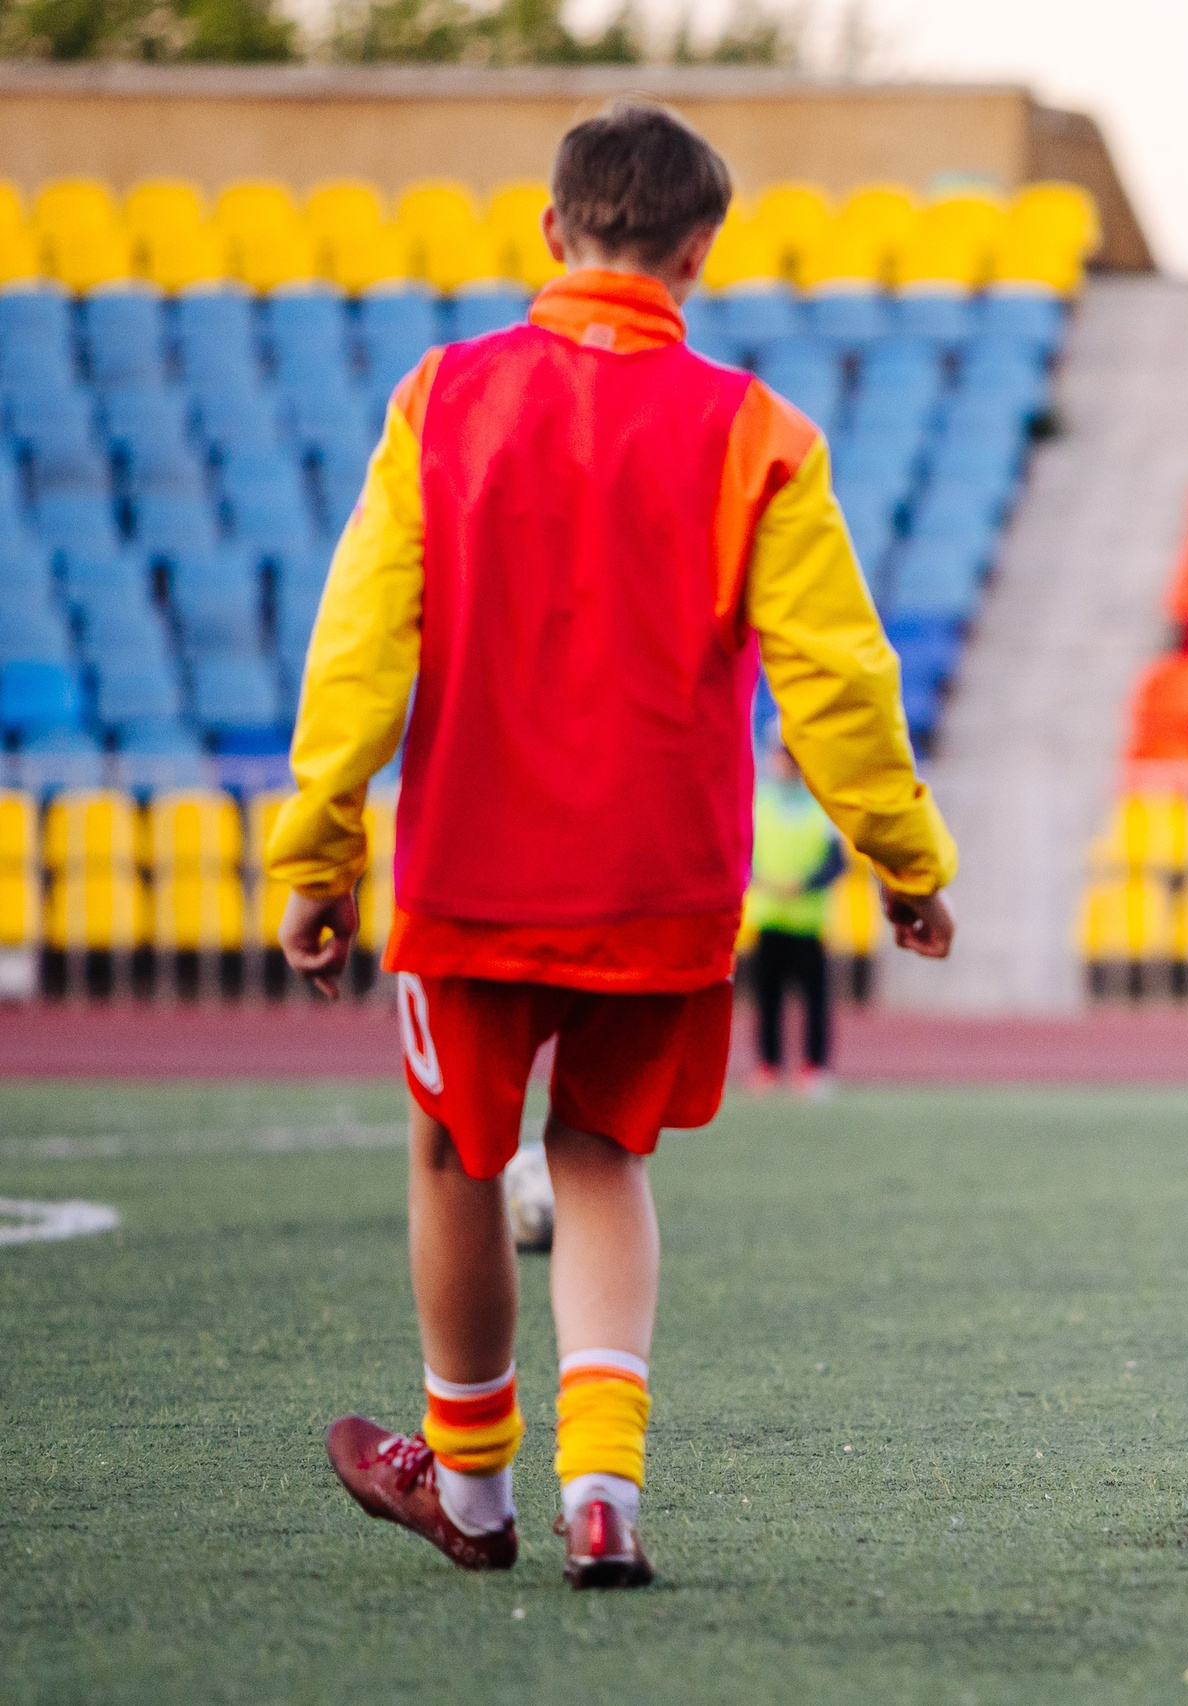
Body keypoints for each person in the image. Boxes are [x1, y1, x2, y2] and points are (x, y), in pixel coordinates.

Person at [269, 100, 958, 1589]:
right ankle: (606, 1496)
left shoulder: (442, 399)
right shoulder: (761, 433)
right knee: (601, 1151)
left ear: (551, 229)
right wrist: (903, 858)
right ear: (701, 250)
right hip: (665, 882)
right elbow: (838, 675)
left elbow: (360, 645)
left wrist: (316, 850)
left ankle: (468, 1482)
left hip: (472, 871)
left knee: (460, 1156)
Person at [746, 743, 850, 1097]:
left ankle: (814, 1068)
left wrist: (803, 884)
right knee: (767, 1000)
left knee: (816, 1002)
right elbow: (742, 851)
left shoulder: (822, 807)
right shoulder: (759, 802)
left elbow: (838, 864)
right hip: (770, 917)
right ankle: (768, 1066)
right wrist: (760, 879)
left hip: (809, 922)